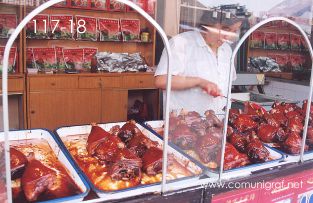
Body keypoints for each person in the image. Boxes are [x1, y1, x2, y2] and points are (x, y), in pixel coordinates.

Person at [155, 11, 242, 116]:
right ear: (209, 24)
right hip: (184, 125)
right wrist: (200, 82)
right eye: (225, 29)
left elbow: (226, 84)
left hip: (218, 122)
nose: (228, 37)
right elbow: (161, 81)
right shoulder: (181, 43)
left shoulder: (226, 49)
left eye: (234, 31)